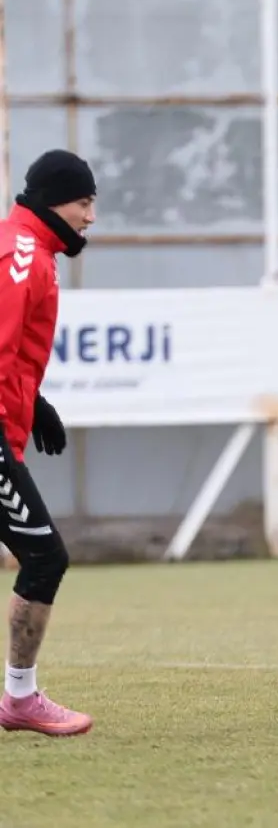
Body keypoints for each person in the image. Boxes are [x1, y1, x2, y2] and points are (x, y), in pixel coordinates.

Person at [0, 149, 93, 737]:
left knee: (40, 555)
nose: (90, 217)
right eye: (84, 202)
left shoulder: (28, 248)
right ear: (56, 201)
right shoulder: (22, 257)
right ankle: (19, 699)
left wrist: (32, 402)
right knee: (44, 556)